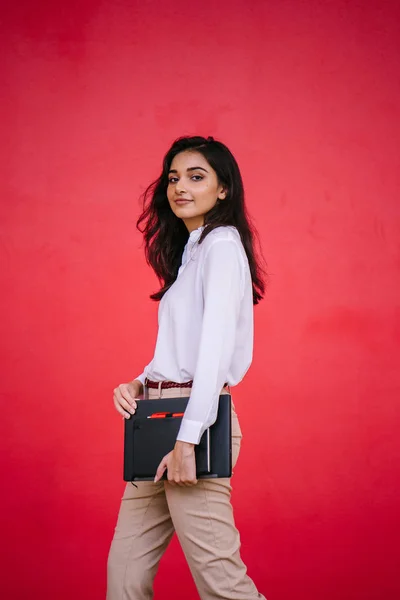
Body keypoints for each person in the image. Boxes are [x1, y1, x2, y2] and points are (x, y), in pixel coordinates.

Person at [107, 135, 267, 600]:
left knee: (221, 583)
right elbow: (182, 345)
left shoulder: (221, 245)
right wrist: (138, 382)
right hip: (156, 416)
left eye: (196, 177)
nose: (180, 186)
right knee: (124, 576)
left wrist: (187, 440)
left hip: (192, 423)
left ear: (223, 189)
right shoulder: (193, 249)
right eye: (174, 177)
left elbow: (214, 353)